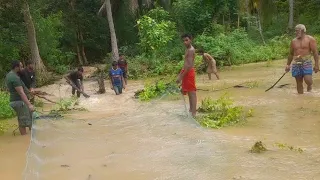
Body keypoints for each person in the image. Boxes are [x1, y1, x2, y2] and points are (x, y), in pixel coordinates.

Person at [285, 24, 319, 94]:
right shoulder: (293, 41)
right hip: (296, 63)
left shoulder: (310, 39)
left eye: (297, 31)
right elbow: (291, 54)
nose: (296, 32)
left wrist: (316, 65)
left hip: (307, 62)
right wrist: (288, 65)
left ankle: (309, 86)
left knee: (308, 80)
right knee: (299, 82)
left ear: (303, 31)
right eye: (295, 31)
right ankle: (301, 98)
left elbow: (315, 52)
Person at [5, 60, 34, 135]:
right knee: (23, 122)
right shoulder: (14, 77)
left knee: (28, 117)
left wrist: (29, 93)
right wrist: (29, 105)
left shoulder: (10, 75)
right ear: (16, 67)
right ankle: (24, 138)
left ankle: (29, 136)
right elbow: (21, 92)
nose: (22, 68)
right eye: (21, 66)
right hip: (19, 102)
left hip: (17, 101)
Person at [176, 34, 197, 117]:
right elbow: (185, 65)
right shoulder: (187, 49)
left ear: (191, 40)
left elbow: (189, 65)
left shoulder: (191, 50)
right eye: (183, 40)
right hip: (186, 72)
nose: (185, 42)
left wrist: (181, 76)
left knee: (192, 93)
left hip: (189, 72)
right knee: (188, 92)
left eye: (186, 40)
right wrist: (181, 74)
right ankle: (191, 110)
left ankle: (194, 113)